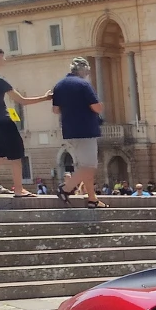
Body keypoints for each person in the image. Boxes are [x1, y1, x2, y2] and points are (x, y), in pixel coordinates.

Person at [0, 46, 51, 196]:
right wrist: (45, 98)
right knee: (16, 156)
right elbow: (22, 100)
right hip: (4, 122)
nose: (4, 59)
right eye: (2, 56)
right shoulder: (0, 81)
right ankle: (19, 189)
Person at [51, 56, 105, 207]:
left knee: (84, 166)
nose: (87, 74)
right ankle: (66, 188)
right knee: (89, 166)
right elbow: (97, 108)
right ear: (82, 70)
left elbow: (55, 110)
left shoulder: (59, 85)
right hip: (86, 130)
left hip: (69, 131)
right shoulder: (84, 85)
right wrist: (101, 105)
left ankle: (92, 199)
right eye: (87, 71)